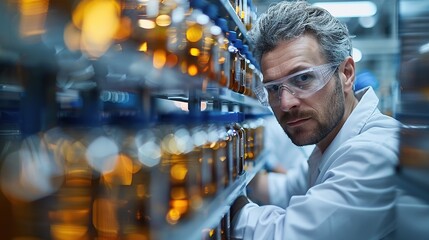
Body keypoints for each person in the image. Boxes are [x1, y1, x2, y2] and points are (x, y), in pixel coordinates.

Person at [230, 1, 401, 239]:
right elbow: (284, 189)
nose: (286, 102)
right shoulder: (332, 143)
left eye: (303, 78)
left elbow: (287, 235)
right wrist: (222, 167)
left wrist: (223, 202)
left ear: (346, 74)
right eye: (274, 88)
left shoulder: (374, 152)